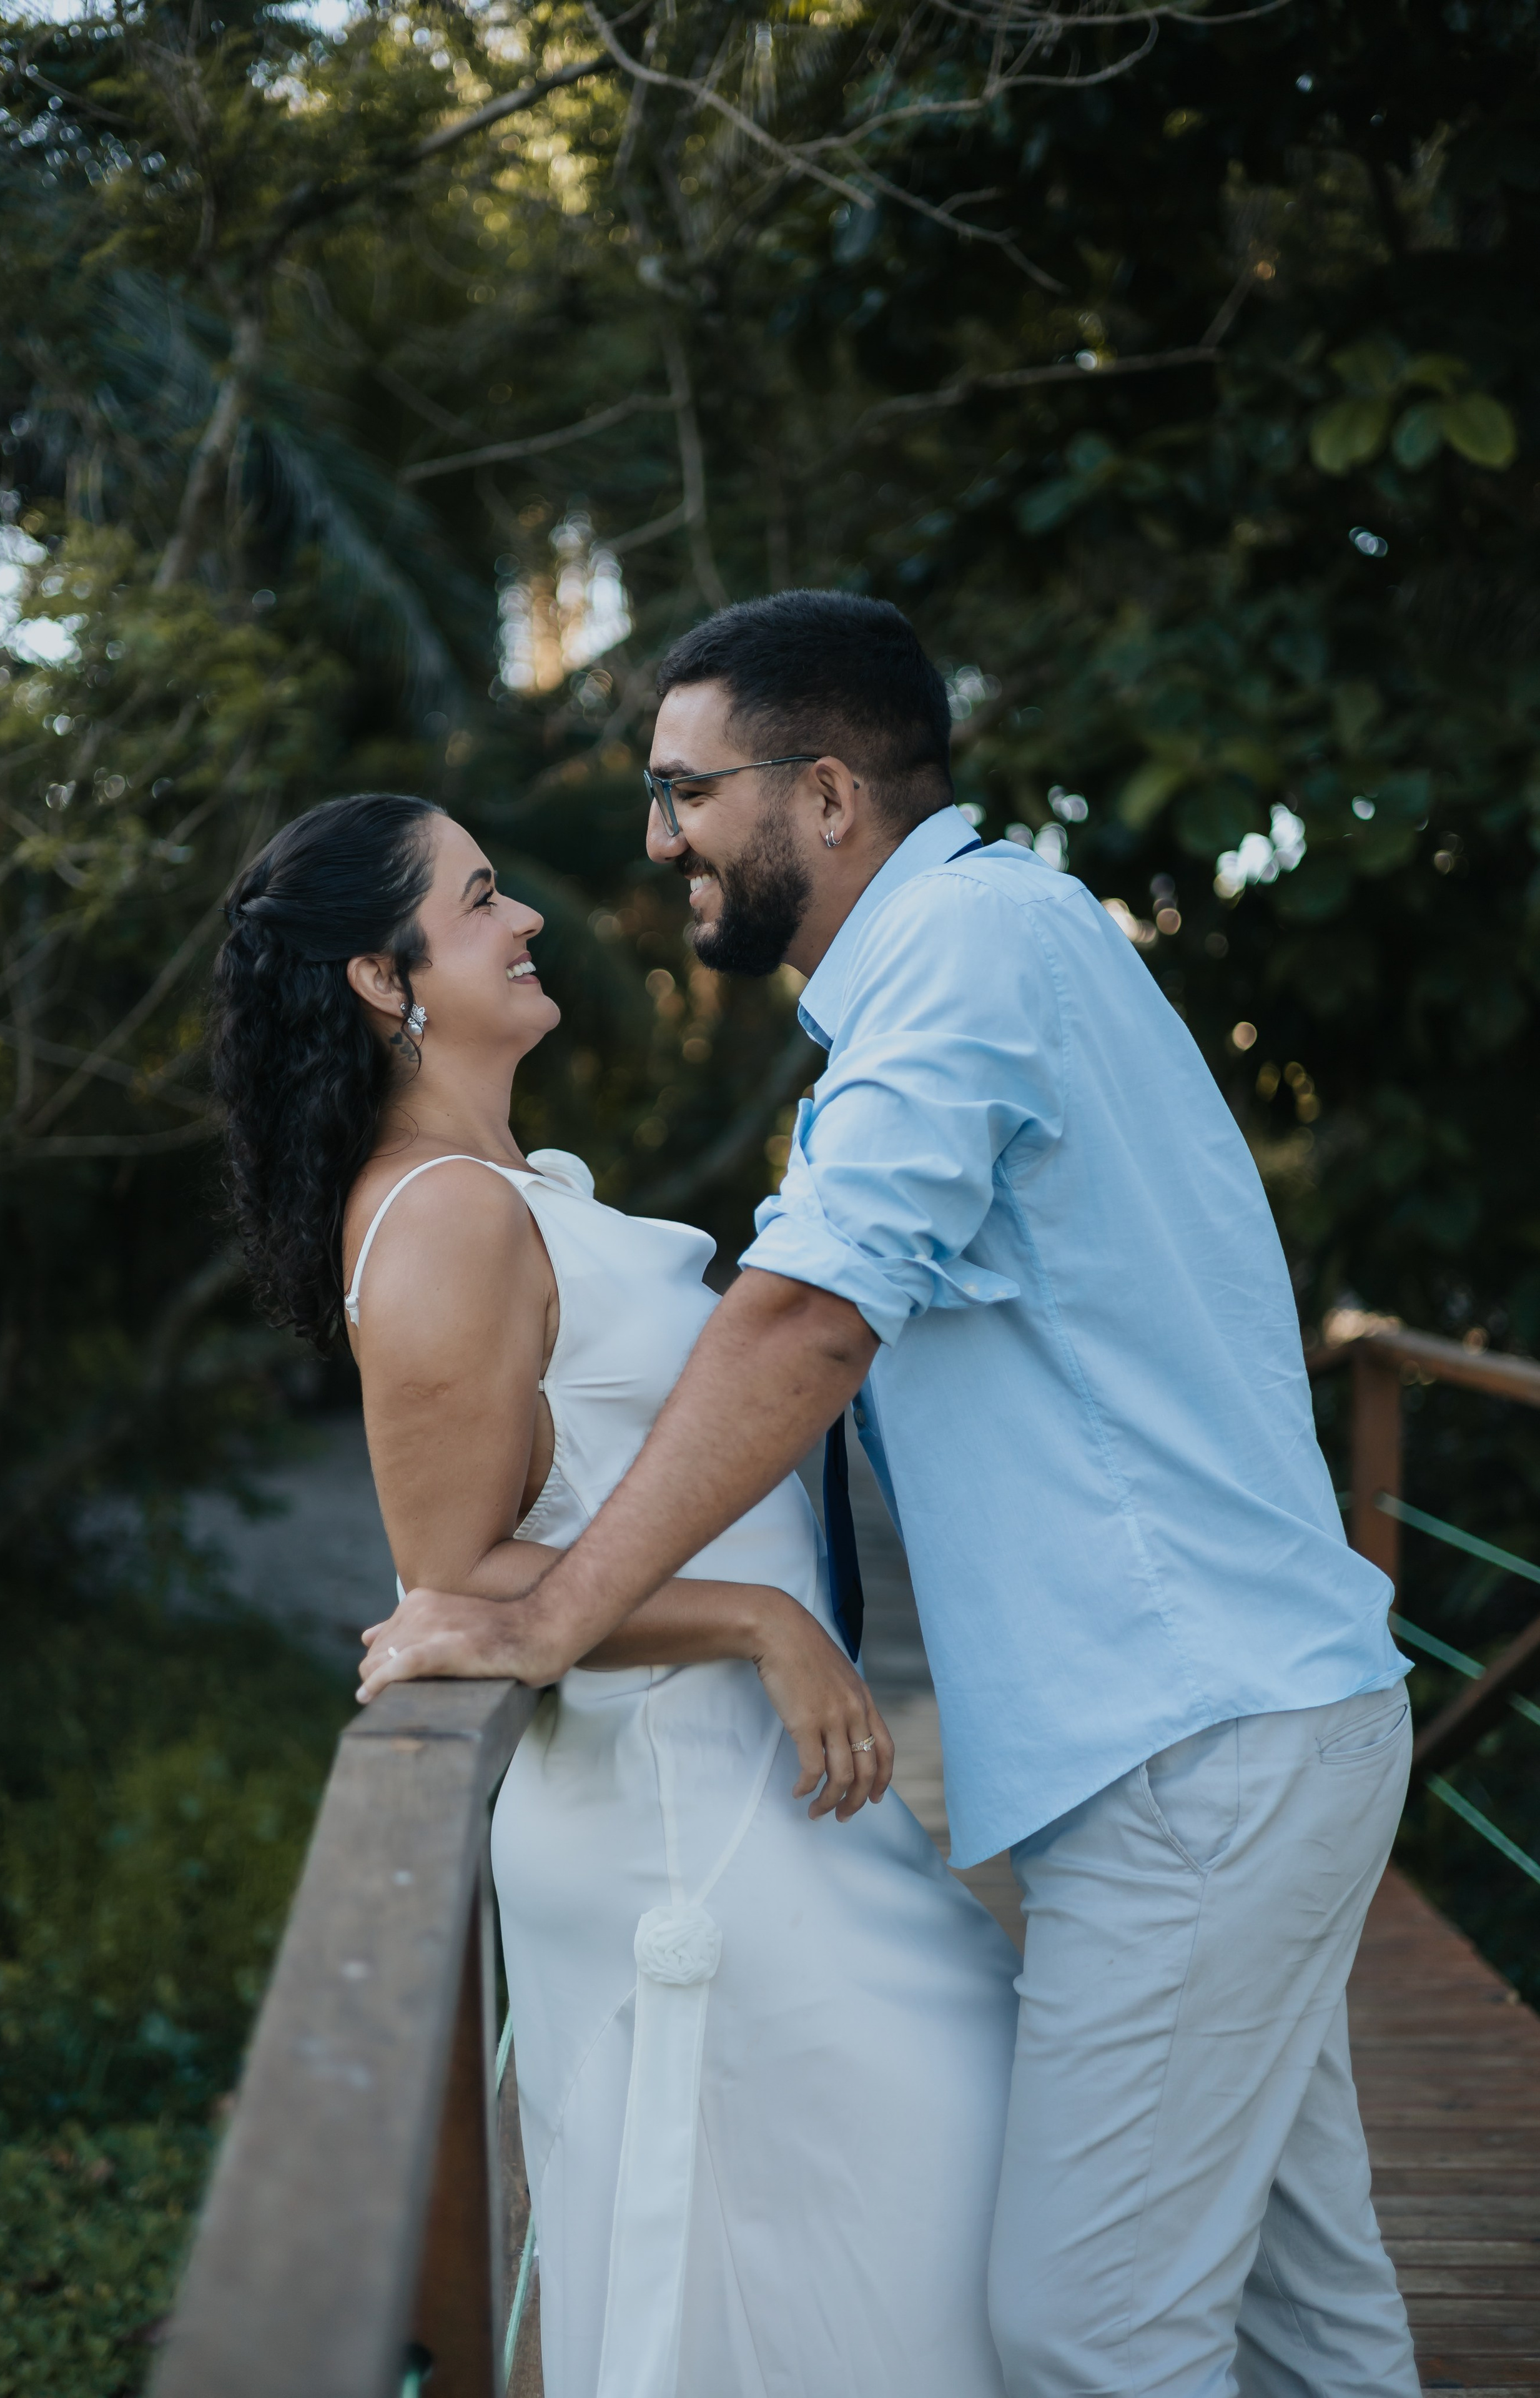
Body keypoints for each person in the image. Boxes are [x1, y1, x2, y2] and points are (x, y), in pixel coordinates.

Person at [365, 594, 1423, 2398]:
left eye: (684, 788)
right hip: (1242, 1730)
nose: (654, 837)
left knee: (1090, 2333)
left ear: (827, 796)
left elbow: (807, 1319)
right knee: (1305, 2325)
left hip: (1196, 1753)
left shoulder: (969, 952)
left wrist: (555, 1613)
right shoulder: (996, 947)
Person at [210, 790, 1019, 2398]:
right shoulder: (442, 1217)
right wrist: (754, 1618)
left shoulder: (507, 1187)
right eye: (481, 898)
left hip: (749, 1793)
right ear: (387, 980)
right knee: (897, 2210)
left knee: (906, 2222)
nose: (524, 922)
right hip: (675, 1817)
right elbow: (453, 1578)